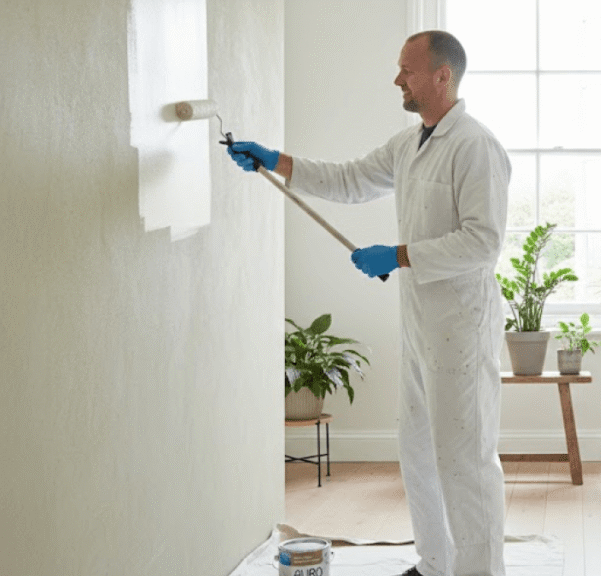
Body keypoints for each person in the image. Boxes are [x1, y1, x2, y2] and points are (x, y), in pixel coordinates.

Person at [228, 31, 510, 576]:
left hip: (462, 325)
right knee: (420, 454)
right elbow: (349, 179)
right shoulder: (409, 144)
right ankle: (435, 564)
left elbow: (483, 242)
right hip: (419, 325)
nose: (397, 79)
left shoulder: (476, 146)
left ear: (441, 76)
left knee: (466, 462)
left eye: (406, 69)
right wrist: (275, 161)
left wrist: (399, 255)